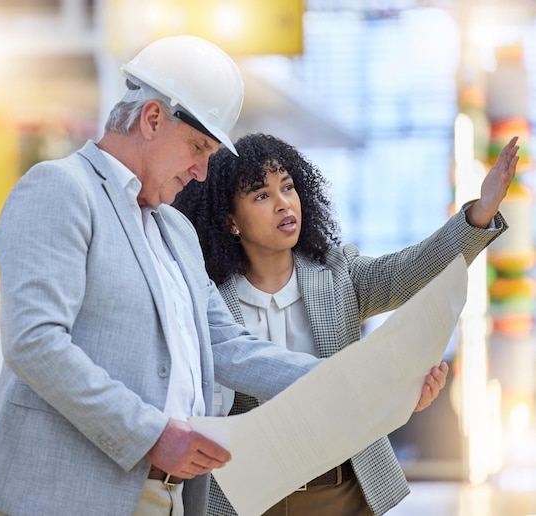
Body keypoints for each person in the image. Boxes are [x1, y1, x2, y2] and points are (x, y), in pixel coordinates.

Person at [0, 35, 447, 516]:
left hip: (169, 495)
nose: (201, 172)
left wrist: (371, 380)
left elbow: (228, 346)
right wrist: (150, 434)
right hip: (69, 496)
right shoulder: (62, 190)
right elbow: (36, 342)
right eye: (198, 147)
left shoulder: (173, 228)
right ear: (153, 118)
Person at [173, 132, 518, 516]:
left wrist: (481, 212)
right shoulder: (207, 299)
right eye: (261, 195)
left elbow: (413, 269)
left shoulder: (338, 276)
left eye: (287, 187)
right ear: (230, 220)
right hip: (246, 501)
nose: (284, 203)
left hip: (341, 492)